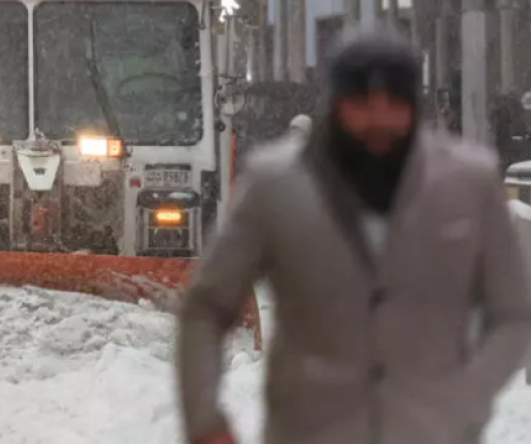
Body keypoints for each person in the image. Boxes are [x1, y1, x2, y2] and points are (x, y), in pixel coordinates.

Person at [176, 30, 531, 444]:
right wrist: (204, 419)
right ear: (334, 106)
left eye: (393, 104)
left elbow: (514, 312)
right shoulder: (276, 185)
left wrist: (471, 393)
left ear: (414, 108)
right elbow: (205, 307)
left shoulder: (469, 184)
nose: (378, 119)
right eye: (361, 104)